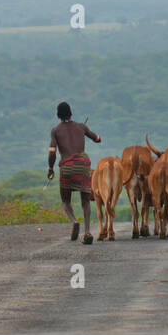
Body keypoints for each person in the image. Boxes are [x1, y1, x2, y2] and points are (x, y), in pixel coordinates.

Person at [47, 101, 102, 244]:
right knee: (85, 201)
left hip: (67, 167)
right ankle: (88, 232)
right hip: (83, 166)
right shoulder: (81, 126)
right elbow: (97, 139)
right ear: (71, 113)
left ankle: (74, 221)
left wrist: (51, 168)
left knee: (66, 200)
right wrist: (91, 135)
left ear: (58, 115)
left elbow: (52, 152)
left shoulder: (55, 130)